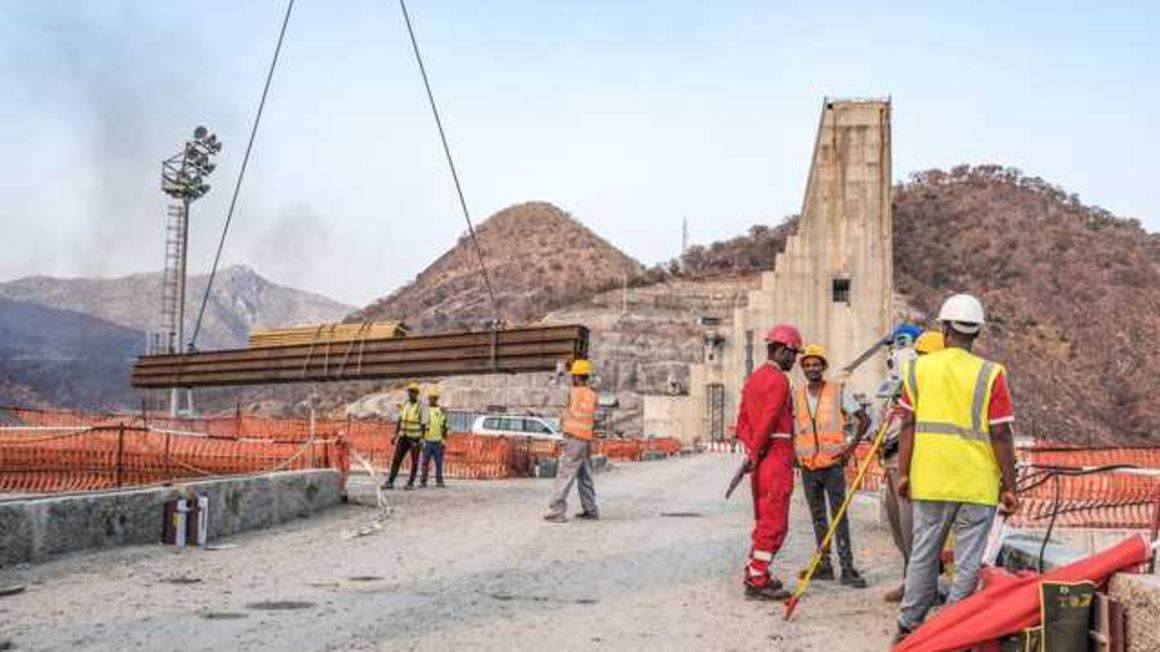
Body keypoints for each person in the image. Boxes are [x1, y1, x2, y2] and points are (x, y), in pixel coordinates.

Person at [895, 294, 1020, 642]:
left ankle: (908, 626)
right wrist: (1010, 486)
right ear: (977, 331)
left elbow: (907, 425)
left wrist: (904, 473)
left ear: (944, 327)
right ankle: (953, 631)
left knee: (923, 554)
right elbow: (1000, 433)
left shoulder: (917, 369)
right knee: (967, 563)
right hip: (977, 485)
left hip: (930, 480)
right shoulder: (991, 374)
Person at [793, 344, 871, 588]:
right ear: (803, 369)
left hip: (833, 466)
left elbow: (864, 420)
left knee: (839, 516)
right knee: (818, 518)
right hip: (808, 467)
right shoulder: (797, 396)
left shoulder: (837, 392)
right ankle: (824, 565)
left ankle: (847, 567)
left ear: (823, 367)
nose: (812, 368)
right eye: (807, 365)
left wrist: (849, 449)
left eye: (816, 364)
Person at [735, 324, 802, 601]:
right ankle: (757, 576)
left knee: (764, 518)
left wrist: (752, 452)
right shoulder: (778, 380)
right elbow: (769, 419)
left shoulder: (754, 379)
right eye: (793, 354)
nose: (795, 360)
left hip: (762, 460)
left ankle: (755, 570)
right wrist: (758, 451)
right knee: (775, 522)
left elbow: (742, 422)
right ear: (782, 350)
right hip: (774, 456)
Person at [881, 329, 944, 603]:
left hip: (917, 464)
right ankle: (911, 580)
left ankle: (922, 588)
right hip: (893, 461)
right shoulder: (904, 384)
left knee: (914, 529)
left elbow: (914, 424)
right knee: (899, 525)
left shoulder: (938, 388)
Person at [543, 359, 599, 523]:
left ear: (574, 377)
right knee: (585, 475)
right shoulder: (592, 394)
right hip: (586, 439)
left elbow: (553, 390)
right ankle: (591, 510)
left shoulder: (571, 392)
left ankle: (557, 511)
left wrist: (559, 372)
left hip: (573, 439)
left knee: (565, 474)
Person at [384, 381, 426, 491]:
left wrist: (422, 439)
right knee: (396, 459)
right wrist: (395, 435)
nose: (410, 394)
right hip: (403, 437)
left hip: (415, 438)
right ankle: (390, 481)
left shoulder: (421, 407)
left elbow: (424, 424)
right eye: (409, 392)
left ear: (417, 393)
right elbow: (400, 420)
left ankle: (410, 483)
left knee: (415, 461)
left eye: (413, 392)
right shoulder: (405, 405)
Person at [419, 387, 448, 488]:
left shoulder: (441, 411)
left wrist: (444, 440)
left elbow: (444, 426)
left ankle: (439, 481)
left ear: (436, 399)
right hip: (427, 441)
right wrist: (422, 439)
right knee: (425, 462)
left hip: (438, 441)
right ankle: (423, 481)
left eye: (434, 398)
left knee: (439, 463)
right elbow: (422, 426)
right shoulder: (425, 410)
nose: (432, 400)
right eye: (431, 398)